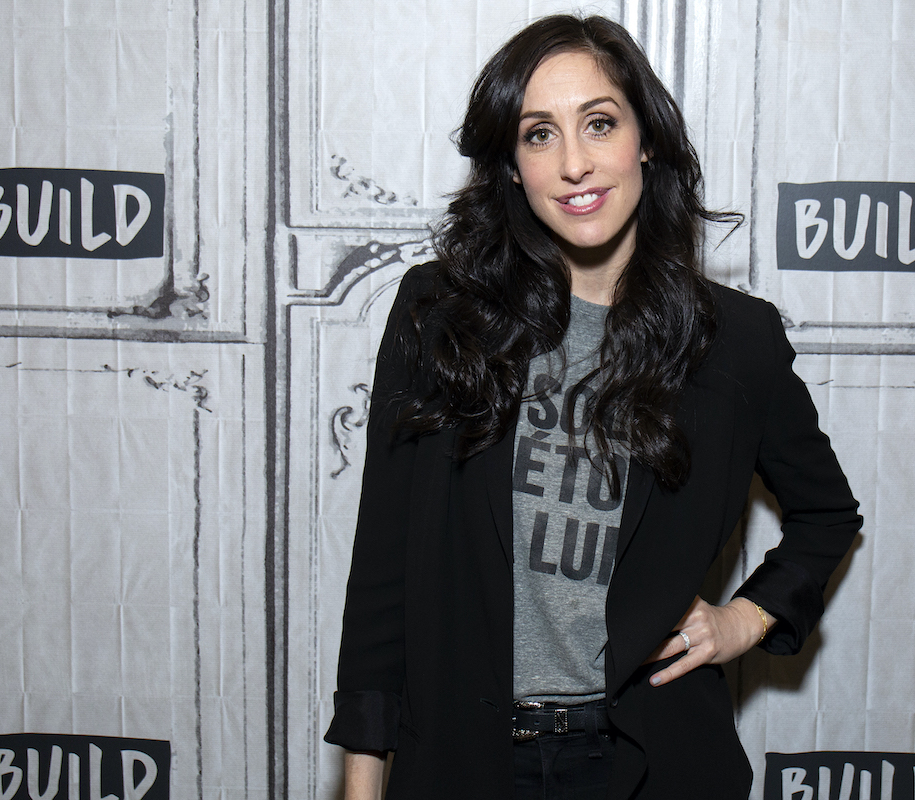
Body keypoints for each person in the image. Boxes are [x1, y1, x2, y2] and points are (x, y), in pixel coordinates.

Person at [323, 14, 861, 800]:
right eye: (539, 134)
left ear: (646, 141)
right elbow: (383, 568)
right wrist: (361, 783)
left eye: (599, 124)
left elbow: (827, 514)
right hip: (464, 762)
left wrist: (743, 619)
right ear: (512, 167)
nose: (574, 163)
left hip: (649, 766)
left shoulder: (734, 342)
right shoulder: (440, 313)